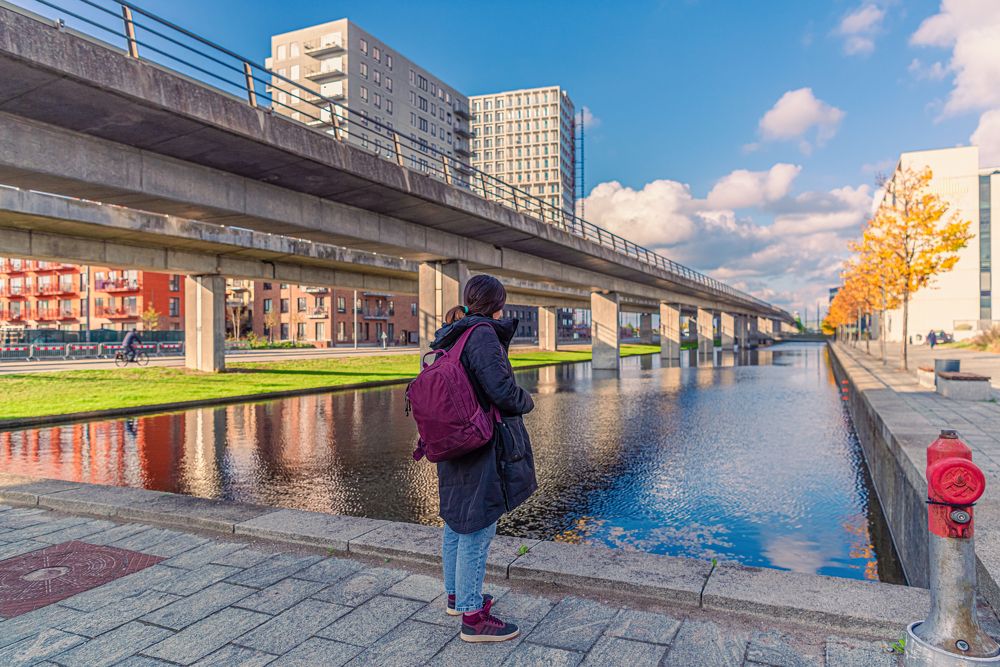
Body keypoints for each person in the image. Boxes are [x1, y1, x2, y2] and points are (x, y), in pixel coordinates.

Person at [429, 274, 537, 643]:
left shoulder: (455, 331)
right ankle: (473, 618)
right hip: (478, 440)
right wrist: (527, 401)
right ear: (498, 304)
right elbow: (501, 390)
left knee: (457, 518)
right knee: (479, 523)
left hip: (452, 437)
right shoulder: (483, 334)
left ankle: (458, 596)